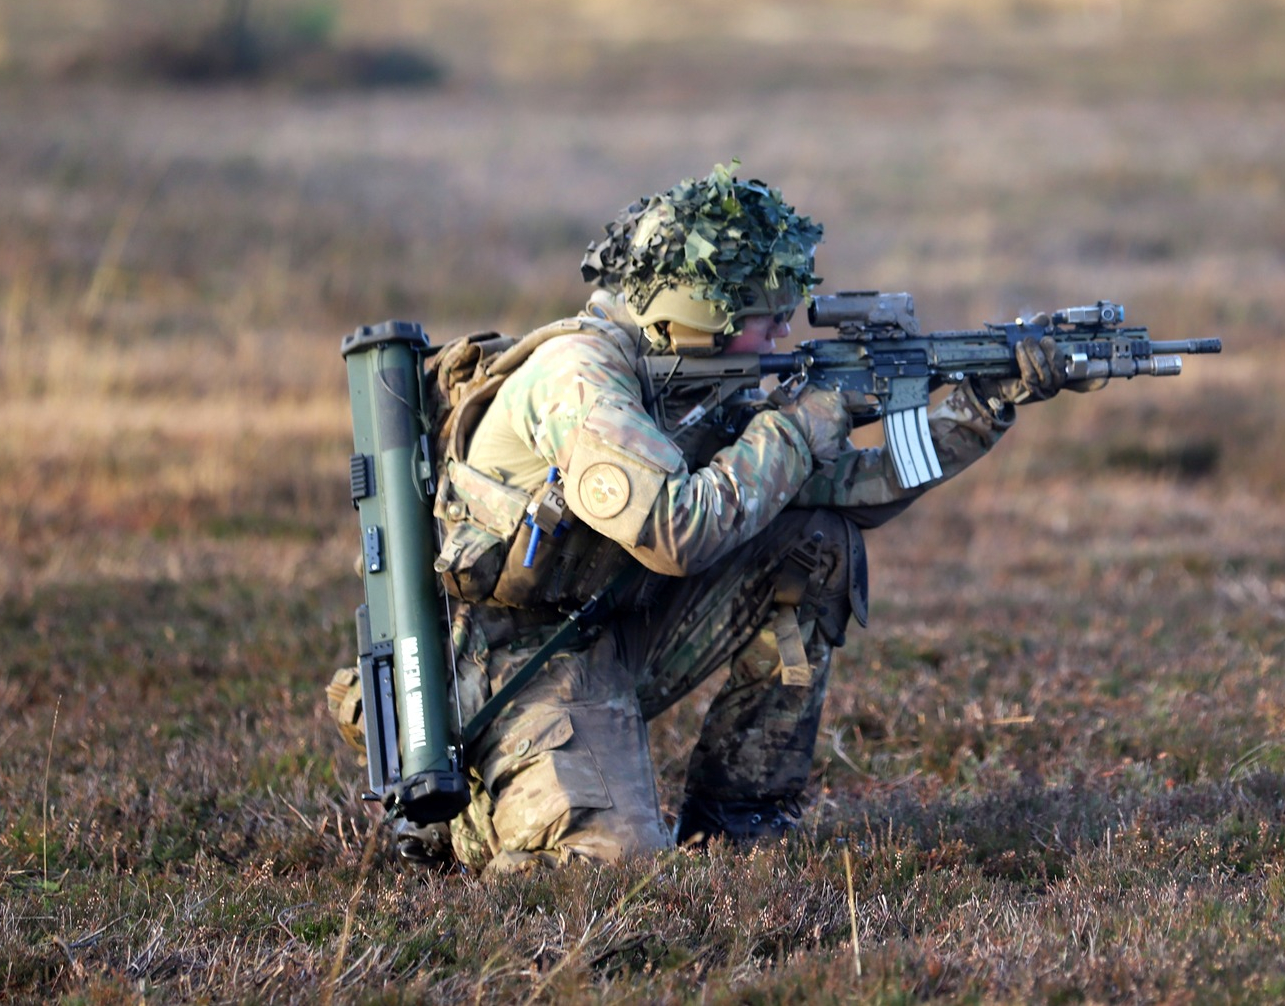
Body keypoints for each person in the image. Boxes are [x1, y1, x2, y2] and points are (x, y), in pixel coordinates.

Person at [331, 165, 1085, 875]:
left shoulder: (696, 373)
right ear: (702, 316)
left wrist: (985, 406)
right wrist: (793, 430)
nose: (782, 334)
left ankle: (741, 815)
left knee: (814, 546)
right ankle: (476, 812)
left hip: (611, 619)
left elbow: (842, 490)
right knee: (610, 874)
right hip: (511, 665)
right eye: (768, 317)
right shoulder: (581, 380)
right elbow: (677, 530)